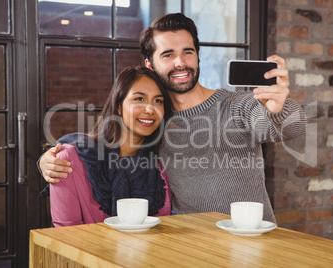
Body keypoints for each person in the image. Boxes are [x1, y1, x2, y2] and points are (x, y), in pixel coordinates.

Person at [39, 13, 307, 224]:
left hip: (252, 243)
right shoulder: (152, 123)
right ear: (150, 64)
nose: (180, 62)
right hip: (188, 248)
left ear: (197, 55)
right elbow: (107, 147)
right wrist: (51, 158)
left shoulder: (237, 105)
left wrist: (279, 106)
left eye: (187, 52)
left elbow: (292, 127)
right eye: (168, 54)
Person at [47, 66, 173, 227]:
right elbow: (65, 233)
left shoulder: (159, 167)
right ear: (119, 106)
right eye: (139, 99)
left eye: (158, 101)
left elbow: (162, 228)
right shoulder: (68, 160)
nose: (150, 109)